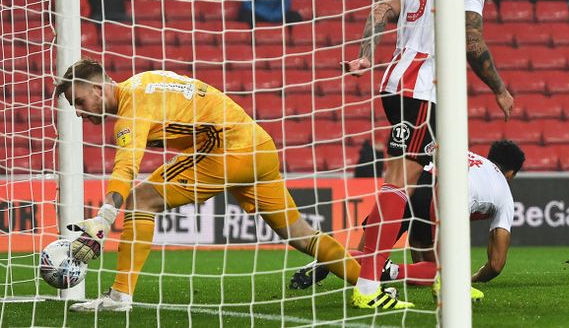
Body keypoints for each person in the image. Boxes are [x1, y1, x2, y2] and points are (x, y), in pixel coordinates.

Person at [56, 61, 376, 312]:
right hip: (258, 146)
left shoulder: (132, 110)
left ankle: (119, 296)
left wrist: (105, 216)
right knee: (300, 235)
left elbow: (127, 164)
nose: (78, 111)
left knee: (141, 201)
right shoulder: (143, 81)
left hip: (228, 149)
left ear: (98, 89)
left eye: (79, 101)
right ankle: (370, 286)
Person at [343, 0, 514, 307]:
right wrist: (500, 89)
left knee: (442, 180)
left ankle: (445, 278)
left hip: (404, 84)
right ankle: (368, 285)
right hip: (423, 89)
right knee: (399, 182)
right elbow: (472, 42)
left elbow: (381, 9)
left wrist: (367, 54)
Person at [290, 141, 525, 296]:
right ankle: (391, 271)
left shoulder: (470, 155)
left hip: (408, 183)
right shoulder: (504, 192)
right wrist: (470, 278)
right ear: (512, 173)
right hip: (437, 198)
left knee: (369, 257)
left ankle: (328, 260)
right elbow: (496, 264)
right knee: (438, 273)